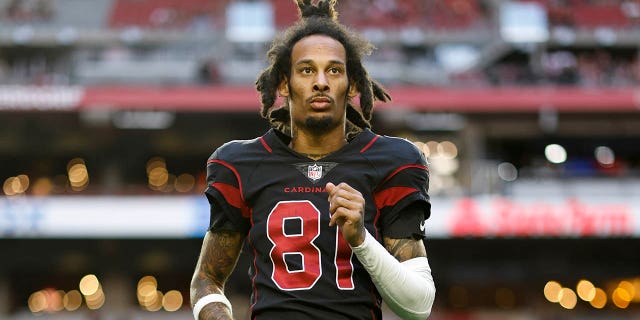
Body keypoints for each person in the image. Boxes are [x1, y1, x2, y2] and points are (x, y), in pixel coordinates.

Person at [190, 1, 435, 319]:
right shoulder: (240, 164)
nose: (321, 82)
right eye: (307, 70)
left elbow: (418, 307)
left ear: (353, 84)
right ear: (283, 83)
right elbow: (206, 280)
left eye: (334, 70)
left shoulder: (393, 161)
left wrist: (361, 239)